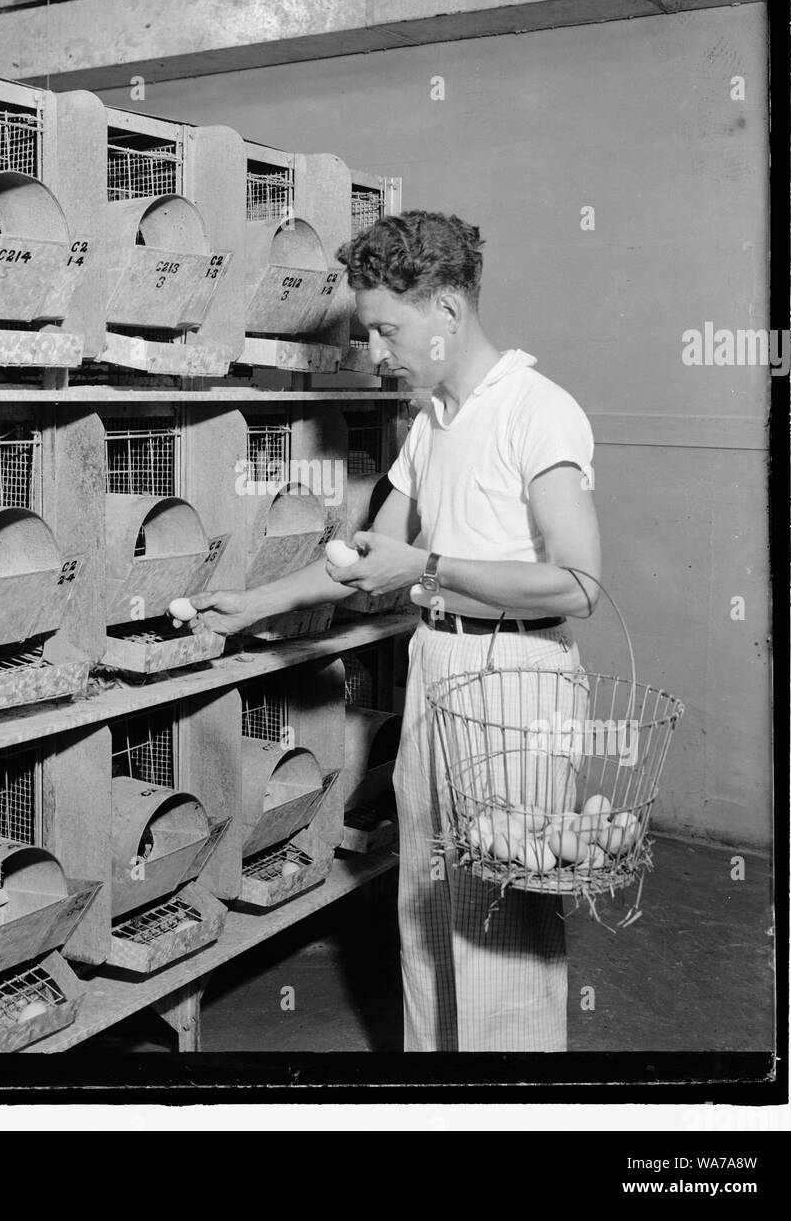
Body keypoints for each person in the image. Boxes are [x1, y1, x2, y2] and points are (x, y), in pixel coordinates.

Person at [186, 210, 601, 1052]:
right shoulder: (431, 425)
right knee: (428, 907)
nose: (377, 351)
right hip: (442, 663)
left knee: (502, 926)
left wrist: (426, 570)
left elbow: (580, 582)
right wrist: (256, 603)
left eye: (388, 328)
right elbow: (362, 553)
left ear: (446, 313)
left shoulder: (538, 411)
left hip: (519, 679)